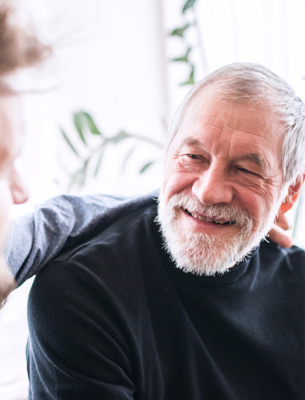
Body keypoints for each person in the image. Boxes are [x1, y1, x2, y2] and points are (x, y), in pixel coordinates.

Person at [0, 1, 294, 399]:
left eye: (246, 168)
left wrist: (222, 210)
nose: (21, 192)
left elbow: (51, 224)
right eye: (0, 169)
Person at [27, 63, 305, 400]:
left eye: (245, 170)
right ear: (167, 154)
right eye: (193, 156)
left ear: (288, 194)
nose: (207, 192)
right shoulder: (82, 294)